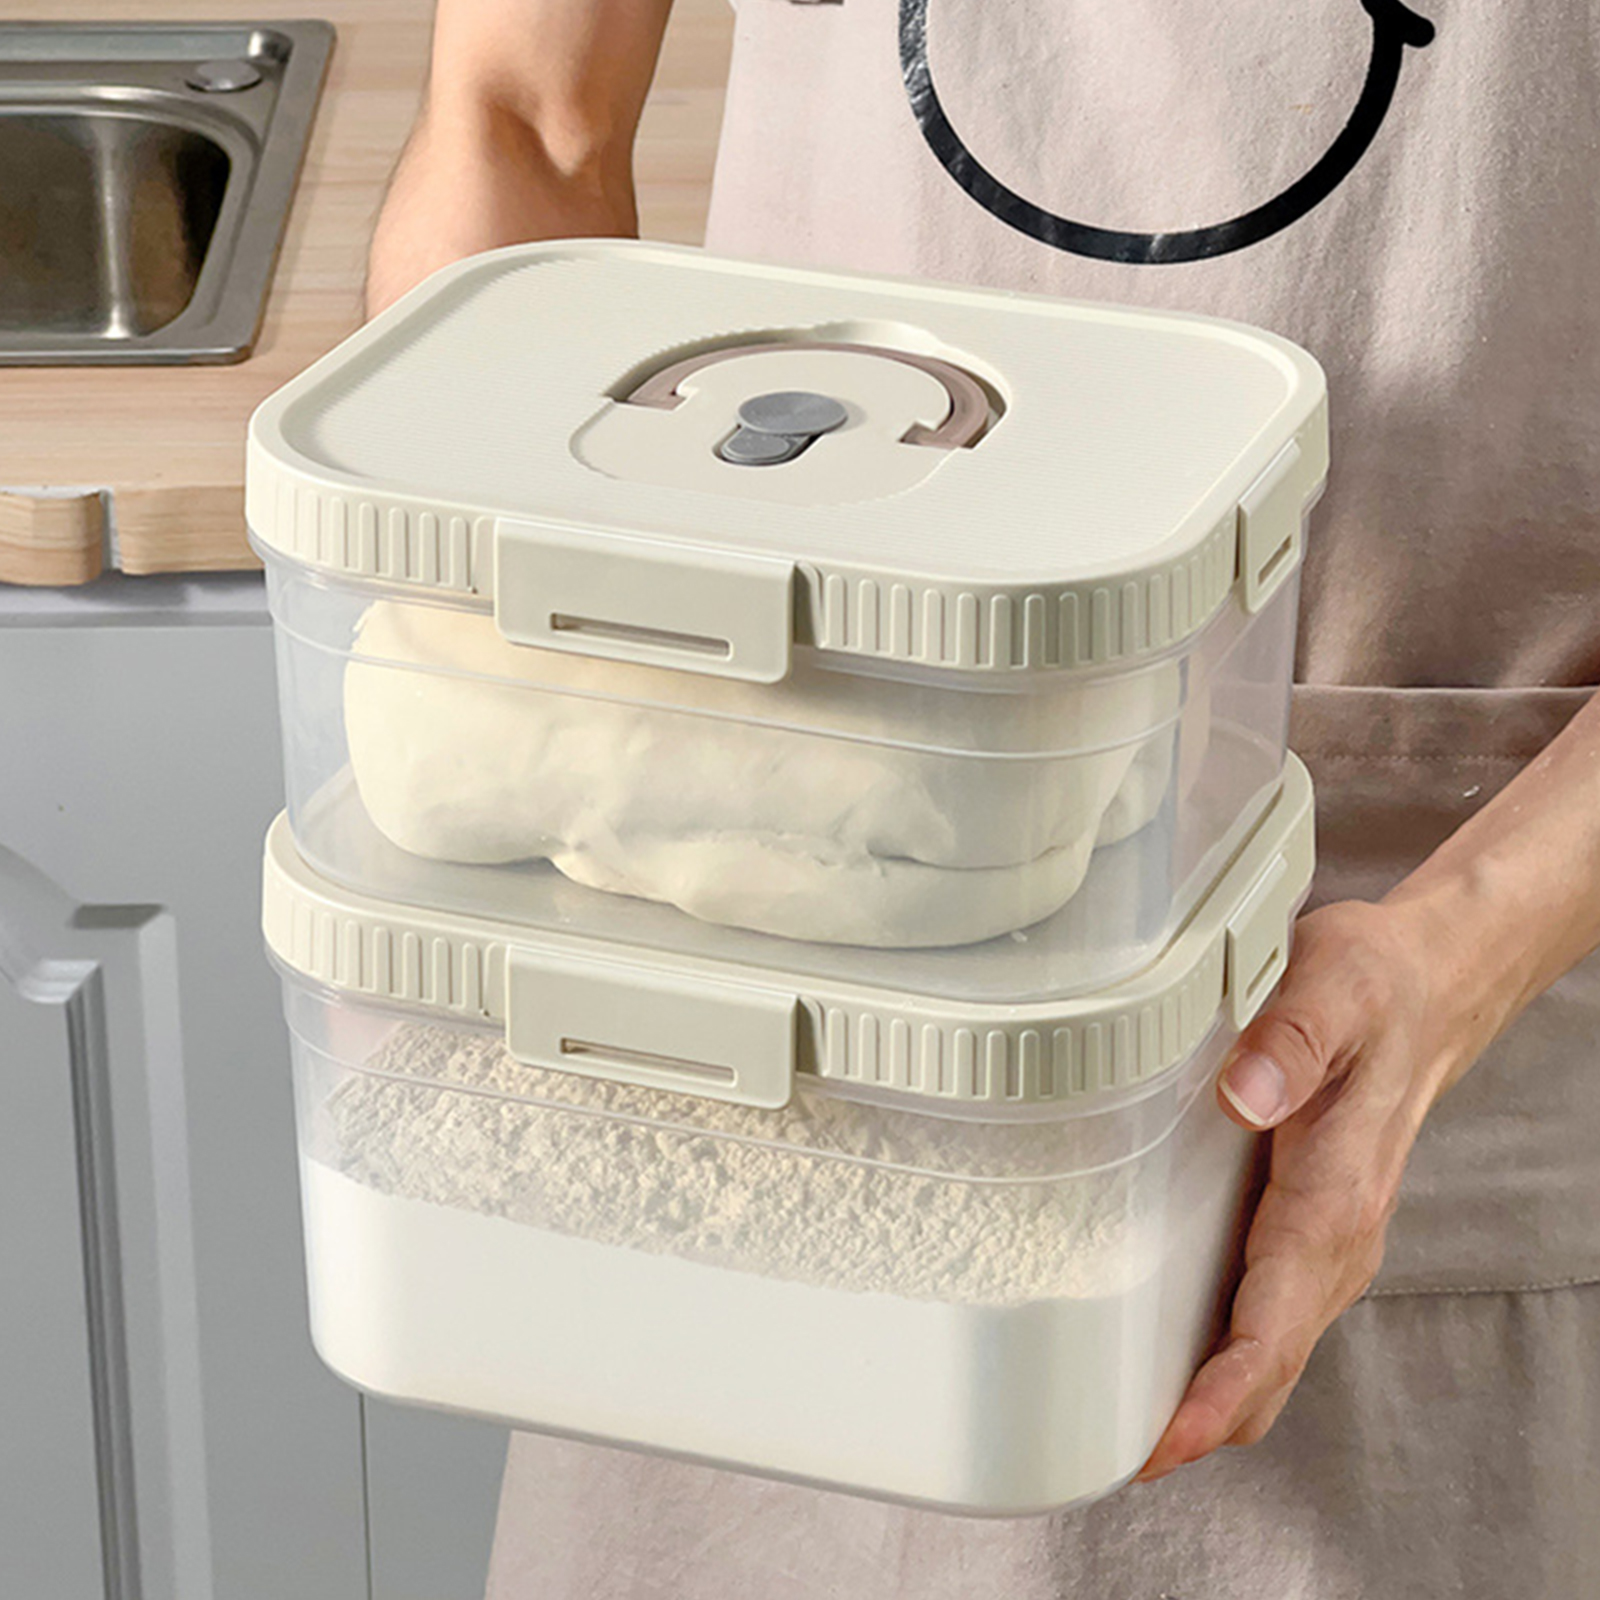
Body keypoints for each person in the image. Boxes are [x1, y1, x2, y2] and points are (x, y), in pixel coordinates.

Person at [367, 2, 1600, 1593]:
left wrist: (1458, 955)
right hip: (735, 996)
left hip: (1421, 1014)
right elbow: (524, 116)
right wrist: (498, 716)